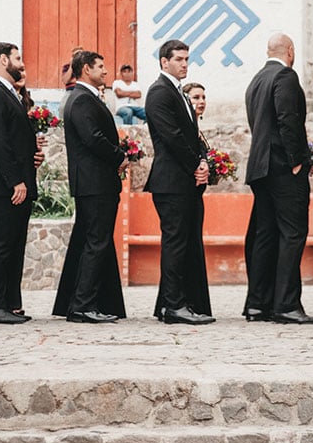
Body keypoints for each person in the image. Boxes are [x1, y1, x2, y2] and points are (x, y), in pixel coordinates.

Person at [243, 33, 313, 324]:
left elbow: (258, 123)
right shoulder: (285, 76)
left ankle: (258, 304)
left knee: (265, 235)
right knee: (292, 234)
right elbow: (288, 119)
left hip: (261, 168)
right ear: (290, 50)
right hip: (283, 169)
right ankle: (287, 305)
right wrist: (298, 161)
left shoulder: (256, 80)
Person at [53, 50, 128, 324]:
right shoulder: (82, 99)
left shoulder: (84, 98)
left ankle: (86, 301)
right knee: (96, 243)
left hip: (93, 183)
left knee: (94, 241)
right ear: (86, 69)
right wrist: (119, 155)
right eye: (101, 66)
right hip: (95, 183)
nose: (106, 71)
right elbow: (93, 138)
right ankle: (82, 304)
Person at [144, 39, 214, 325]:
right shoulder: (159, 93)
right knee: (175, 243)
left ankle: (170, 302)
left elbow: (192, 135)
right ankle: (174, 307)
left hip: (184, 180)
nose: (185, 63)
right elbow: (171, 136)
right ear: (164, 62)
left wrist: (204, 161)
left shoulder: (180, 94)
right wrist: (195, 164)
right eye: (179, 59)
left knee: (183, 243)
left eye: (187, 59)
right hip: (171, 181)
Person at [0, 42, 44, 324]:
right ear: (4, 60)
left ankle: (10, 302)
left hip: (13, 182)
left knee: (13, 245)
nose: (21, 63)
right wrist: (16, 180)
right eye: (17, 58)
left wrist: (32, 155)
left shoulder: (9, 93)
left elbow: (13, 139)